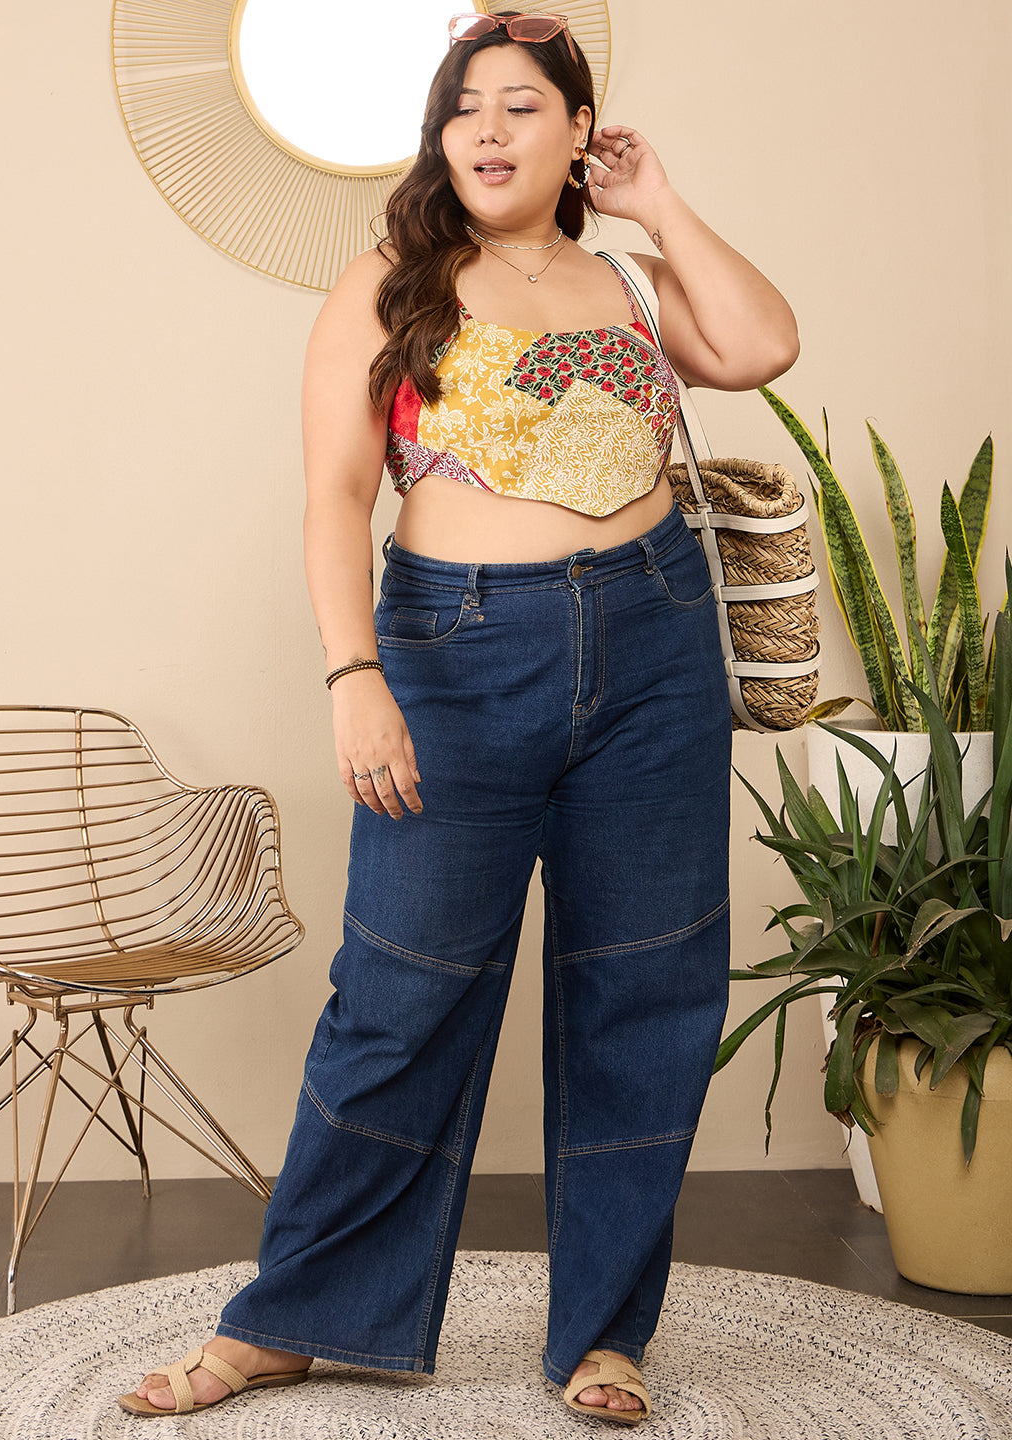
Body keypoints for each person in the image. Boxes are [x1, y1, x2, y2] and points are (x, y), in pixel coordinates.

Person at [121, 10, 798, 1426]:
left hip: (659, 649)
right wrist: (353, 675)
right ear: (439, 139)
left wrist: (660, 201)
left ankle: (603, 1335)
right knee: (399, 995)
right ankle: (290, 1319)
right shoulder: (391, 285)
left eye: (523, 106)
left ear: (579, 132)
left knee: (647, 990)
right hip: (455, 653)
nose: (488, 130)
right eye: (464, 108)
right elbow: (333, 498)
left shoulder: (630, 283)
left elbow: (764, 344)